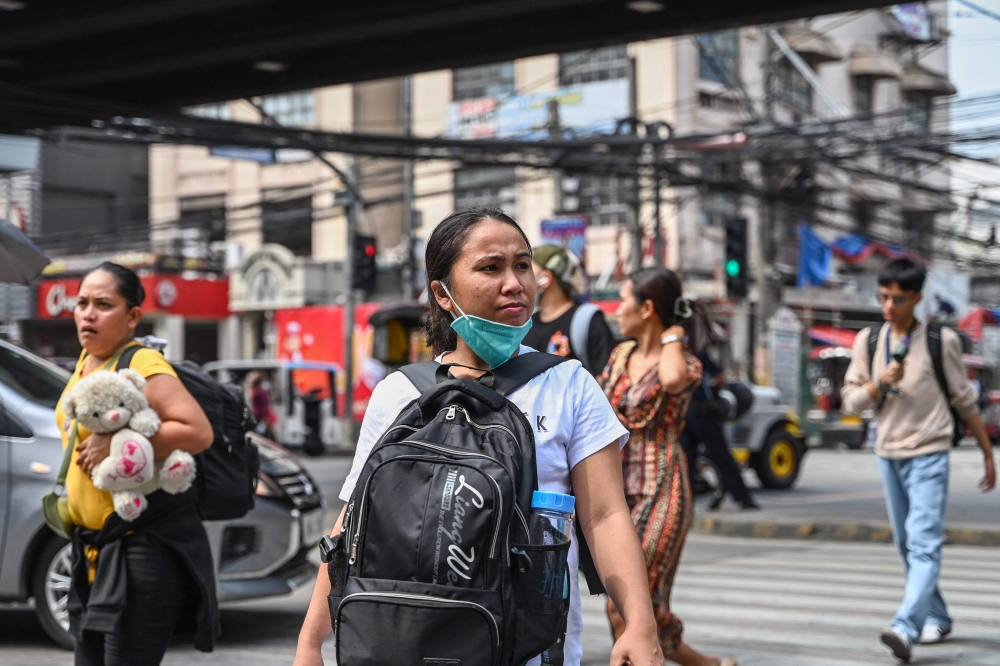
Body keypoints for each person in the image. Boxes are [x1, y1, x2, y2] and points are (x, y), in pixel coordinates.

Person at [294, 207, 664, 666]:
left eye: (523, 265)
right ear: (443, 294)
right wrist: (310, 644)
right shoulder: (401, 393)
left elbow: (605, 516)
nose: (515, 283)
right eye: (491, 268)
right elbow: (351, 524)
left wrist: (640, 625)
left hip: (525, 648)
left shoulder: (568, 383)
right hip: (402, 643)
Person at [58, 262, 217, 665]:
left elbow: (198, 431)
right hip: (94, 551)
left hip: (141, 549)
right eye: (81, 303)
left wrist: (115, 441)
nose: (88, 313)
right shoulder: (87, 361)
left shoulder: (142, 362)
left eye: (103, 304)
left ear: (132, 317)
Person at [842, 258, 996, 663]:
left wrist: (986, 454)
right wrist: (879, 383)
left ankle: (904, 627)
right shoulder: (868, 341)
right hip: (887, 454)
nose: (889, 306)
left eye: (898, 298)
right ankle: (938, 616)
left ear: (917, 298)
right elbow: (852, 401)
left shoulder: (939, 341)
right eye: (884, 297)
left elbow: (965, 401)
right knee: (907, 544)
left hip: (930, 453)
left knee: (924, 544)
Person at [599, 267, 736, 666]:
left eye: (623, 299)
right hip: (616, 485)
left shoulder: (686, 362)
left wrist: (673, 333)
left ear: (646, 308)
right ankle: (708, 665)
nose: (617, 309)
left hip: (662, 485)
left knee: (630, 604)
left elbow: (673, 378)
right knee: (627, 605)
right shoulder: (620, 354)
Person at [680, 349, 758, 510]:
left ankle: (685, 505)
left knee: (688, 460)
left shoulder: (679, 352)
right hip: (700, 412)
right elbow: (719, 377)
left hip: (688, 412)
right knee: (720, 456)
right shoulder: (695, 352)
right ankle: (743, 499)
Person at [523, 244, 618, 376]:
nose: (520, 279)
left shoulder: (588, 320)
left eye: (527, 270)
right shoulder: (526, 322)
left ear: (547, 278)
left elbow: (605, 376)